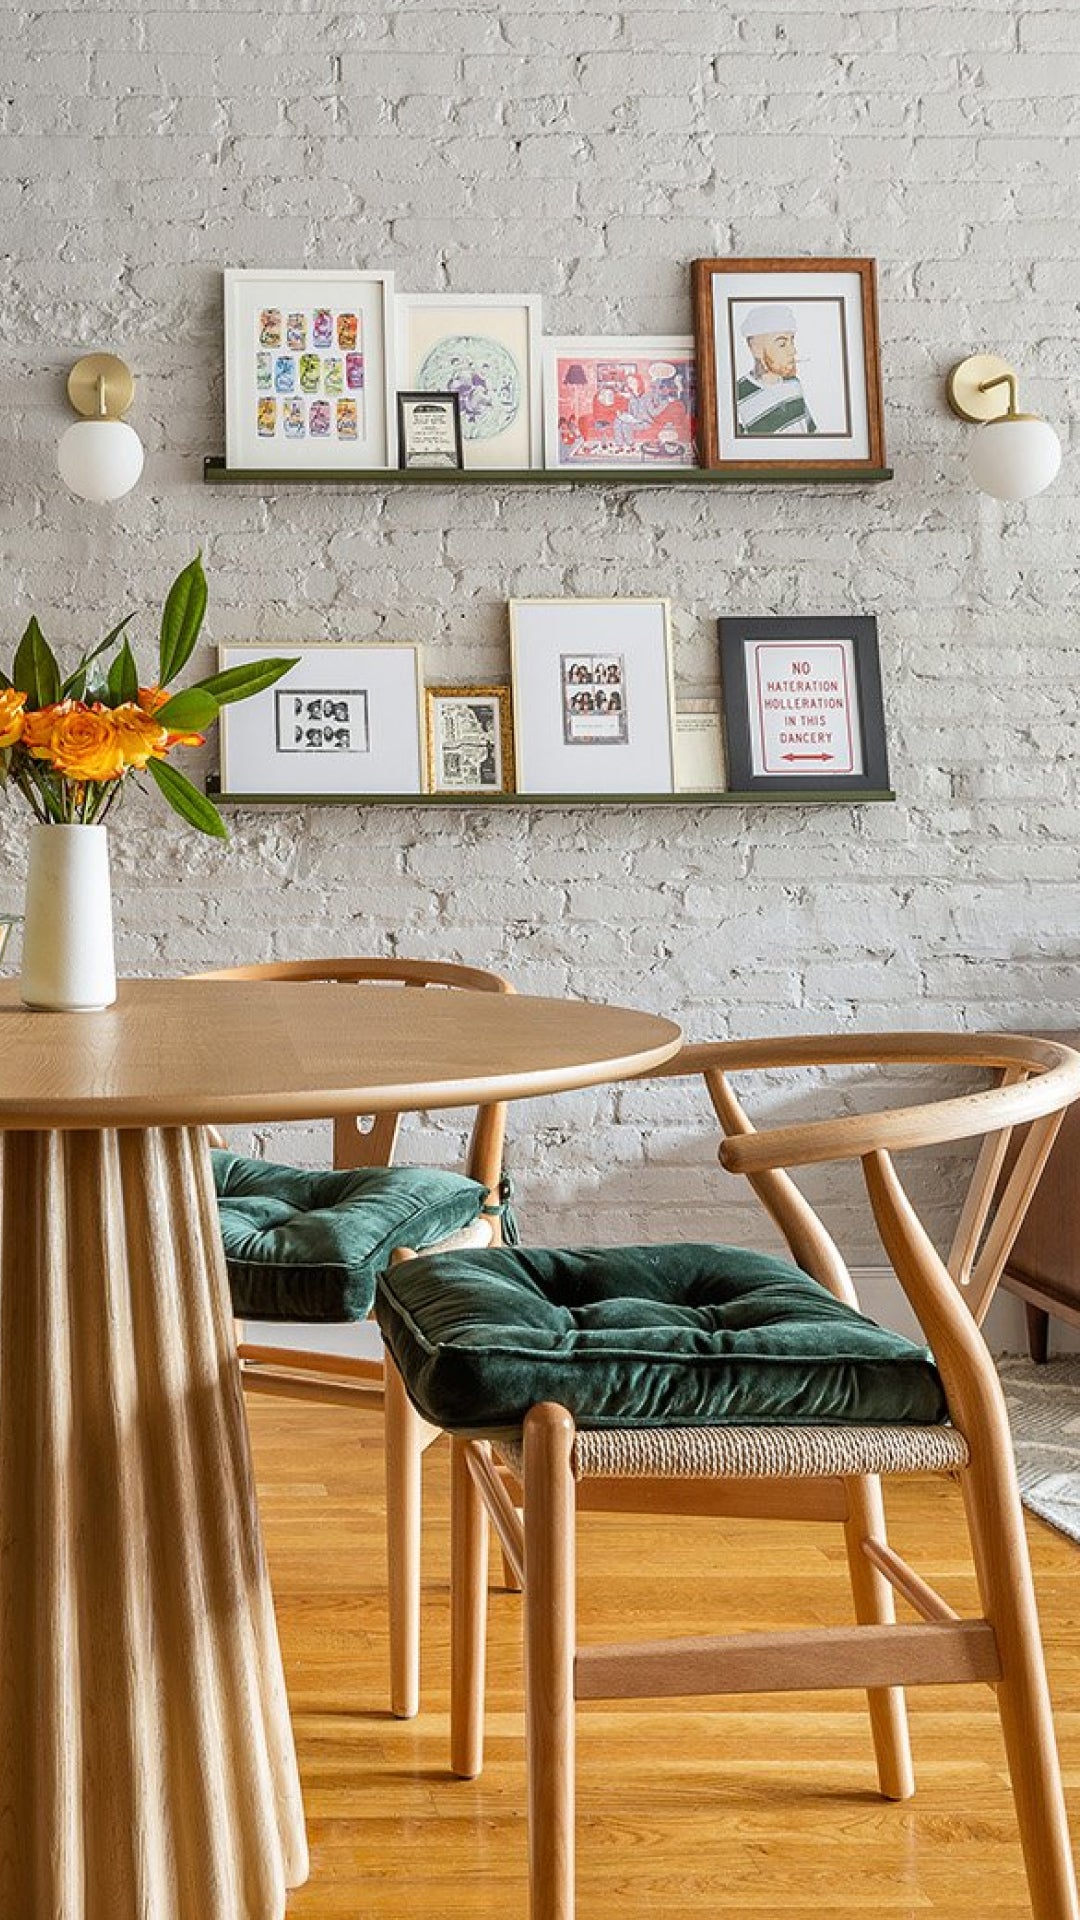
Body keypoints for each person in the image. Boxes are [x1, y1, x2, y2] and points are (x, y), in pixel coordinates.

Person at [735, 305, 817, 436]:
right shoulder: (737, 396)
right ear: (756, 349)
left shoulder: (794, 384)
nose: (793, 351)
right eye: (782, 344)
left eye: (792, 341)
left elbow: (812, 432)